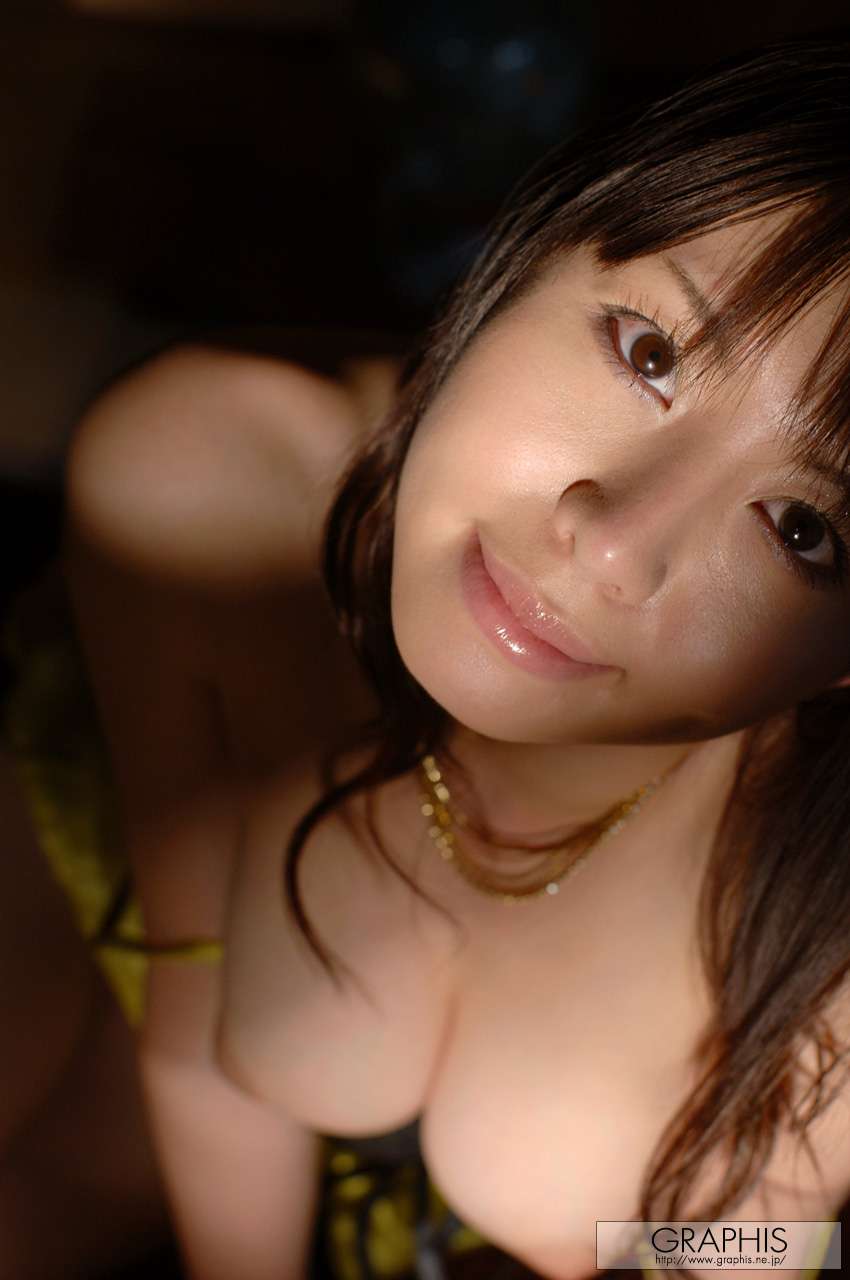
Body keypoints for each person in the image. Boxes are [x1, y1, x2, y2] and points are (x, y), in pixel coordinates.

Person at [3, 32, 850, 1280]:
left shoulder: (815, 918)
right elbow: (193, 1016)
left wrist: (662, 1243)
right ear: (527, 248)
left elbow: (763, 1240)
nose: (610, 544)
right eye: (649, 352)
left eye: (804, 527)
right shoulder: (209, 488)